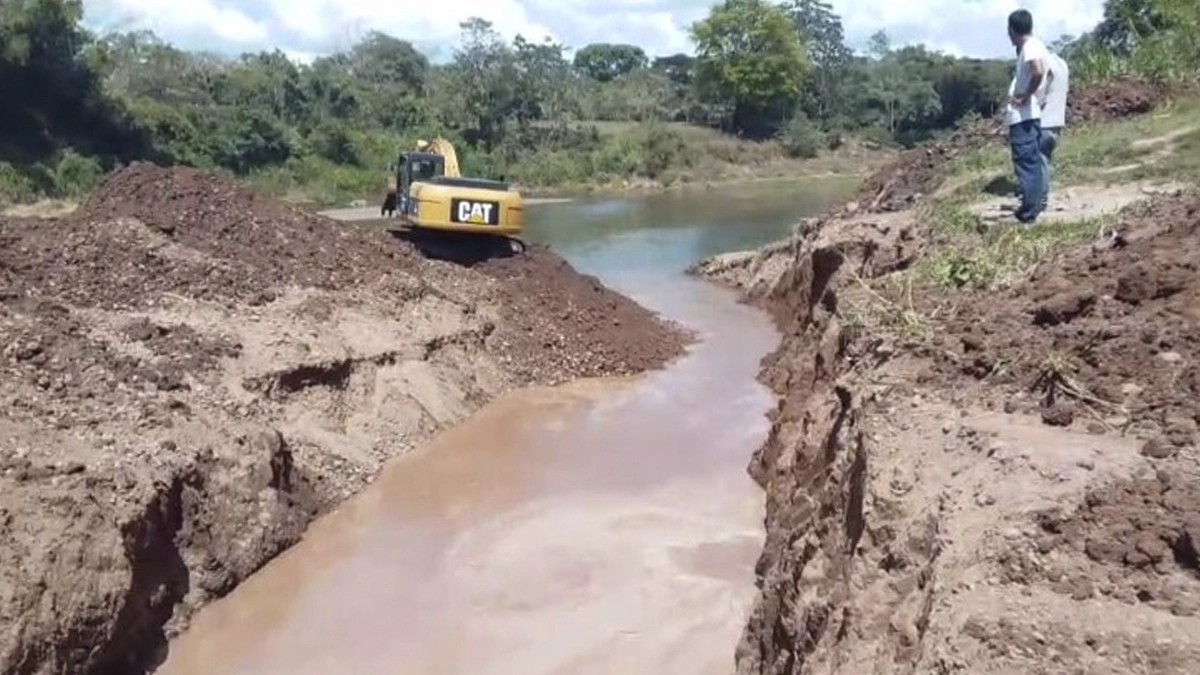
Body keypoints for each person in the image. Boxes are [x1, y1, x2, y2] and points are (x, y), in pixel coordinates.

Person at [1004, 9, 1049, 224]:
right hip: (1027, 115)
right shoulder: (1034, 46)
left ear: (1012, 29)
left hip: (1024, 117)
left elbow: (1038, 71)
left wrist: (1025, 96)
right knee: (1030, 162)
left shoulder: (1030, 46)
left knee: (1027, 163)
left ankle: (1030, 213)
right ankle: (1030, 207)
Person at [1037, 49, 1070, 211]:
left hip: (1044, 120)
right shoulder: (1062, 64)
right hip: (1057, 121)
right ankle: (1042, 196)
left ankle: (1040, 200)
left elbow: (1039, 90)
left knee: (1040, 160)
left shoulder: (1043, 63)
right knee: (1047, 161)